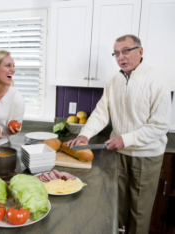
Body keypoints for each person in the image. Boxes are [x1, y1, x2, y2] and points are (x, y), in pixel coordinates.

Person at [67, 34, 171, 234]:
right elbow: (101, 112)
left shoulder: (158, 80)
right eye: (116, 53)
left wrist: (126, 139)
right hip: (119, 155)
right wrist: (85, 135)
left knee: (139, 214)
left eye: (126, 51)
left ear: (140, 51)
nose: (120, 57)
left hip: (146, 156)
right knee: (117, 207)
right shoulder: (114, 81)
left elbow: (160, 125)